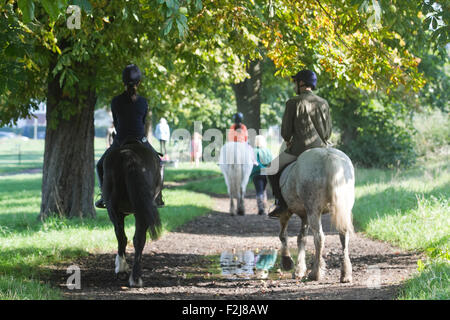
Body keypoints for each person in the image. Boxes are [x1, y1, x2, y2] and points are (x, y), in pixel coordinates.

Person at [262, 69, 332, 219]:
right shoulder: (323, 103)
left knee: (271, 169)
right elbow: (327, 132)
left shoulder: (293, 102)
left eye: (295, 82)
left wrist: (288, 140)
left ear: (301, 83)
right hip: (321, 149)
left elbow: (286, 131)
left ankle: (281, 204)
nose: (294, 85)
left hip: (299, 149)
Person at [95, 64, 164, 209]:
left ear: (123, 82)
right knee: (159, 162)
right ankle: (159, 197)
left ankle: (104, 196)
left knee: (100, 165)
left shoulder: (115, 101)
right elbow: (143, 122)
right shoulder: (143, 102)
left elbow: (117, 122)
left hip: (120, 140)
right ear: (139, 83)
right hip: (140, 139)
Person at [250, 135, 273, 215]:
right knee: (263, 190)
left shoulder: (253, 151)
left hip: (256, 173)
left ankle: (261, 208)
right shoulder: (267, 151)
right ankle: (265, 206)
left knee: (259, 191)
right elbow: (271, 162)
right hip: (266, 173)